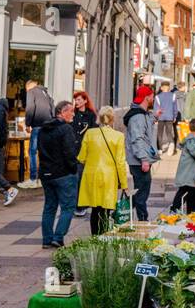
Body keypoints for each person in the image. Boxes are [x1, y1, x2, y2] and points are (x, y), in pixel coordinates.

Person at [77, 105, 129, 235]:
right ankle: (103, 236)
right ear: (113, 120)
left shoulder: (90, 133)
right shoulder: (118, 136)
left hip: (92, 175)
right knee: (105, 209)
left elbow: (81, 157)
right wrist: (124, 184)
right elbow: (120, 162)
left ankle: (95, 236)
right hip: (108, 176)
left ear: (99, 119)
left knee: (95, 209)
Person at [38, 100, 79, 248]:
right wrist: (74, 168)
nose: (73, 114)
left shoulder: (43, 129)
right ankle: (58, 237)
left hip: (46, 173)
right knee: (68, 206)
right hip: (63, 174)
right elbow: (69, 152)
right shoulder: (65, 129)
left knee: (49, 206)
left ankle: (47, 239)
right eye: (71, 111)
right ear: (62, 112)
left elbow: (40, 151)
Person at [123, 85, 159, 221]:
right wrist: (144, 159)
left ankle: (125, 212)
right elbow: (137, 139)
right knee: (142, 191)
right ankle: (142, 219)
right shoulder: (137, 116)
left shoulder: (141, 114)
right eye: (152, 96)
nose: (153, 98)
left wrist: (154, 117)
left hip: (139, 159)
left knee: (141, 189)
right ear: (147, 97)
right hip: (138, 160)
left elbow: (144, 128)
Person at [19, 78, 55, 189]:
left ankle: (33, 178)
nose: (26, 91)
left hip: (38, 125)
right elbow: (52, 107)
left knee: (32, 152)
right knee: (43, 152)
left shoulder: (31, 91)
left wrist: (28, 123)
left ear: (29, 86)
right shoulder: (45, 93)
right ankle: (41, 178)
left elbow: (30, 108)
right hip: (48, 126)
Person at [171, 118, 195, 212]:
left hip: (194, 174)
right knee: (184, 192)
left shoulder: (192, 138)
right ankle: (174, 210)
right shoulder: (191, 140)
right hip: (189, 174)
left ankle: (194, 213)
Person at [71, 90, 97, 218]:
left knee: (82, 179)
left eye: (80, 100)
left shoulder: (91, 115)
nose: (77, 102)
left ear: (85, 101)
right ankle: (77, 205)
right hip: (73, 151)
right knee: (75, 179)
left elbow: (93, 133)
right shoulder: (73, 114)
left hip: (85, 151)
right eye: (76, 100)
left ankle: (82, 205)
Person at [154, 80, 179, 155]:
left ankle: (159, 149)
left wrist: (156, 117)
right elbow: (175, 107)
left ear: (161, 88)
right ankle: (171, 143)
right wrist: (175, 116)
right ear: (168, 87)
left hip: (161, 117)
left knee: (160, 133)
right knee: (169, 132)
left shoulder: (157, 97)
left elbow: (156, 109)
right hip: (169, 117)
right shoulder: (173, 95)